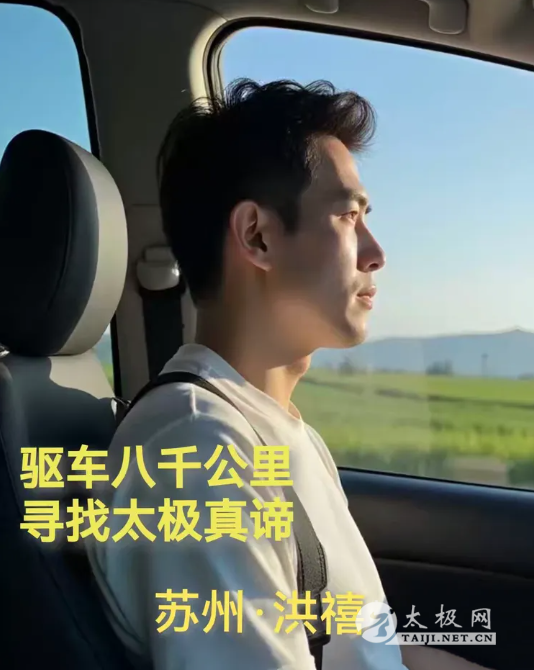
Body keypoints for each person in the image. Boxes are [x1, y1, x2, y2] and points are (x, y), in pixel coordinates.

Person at [87, 79, 490, 670]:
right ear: (257, 236)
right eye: (348, 216)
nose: (376, 252)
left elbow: (364, 648)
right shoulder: (200, 450)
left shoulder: (272, 430)